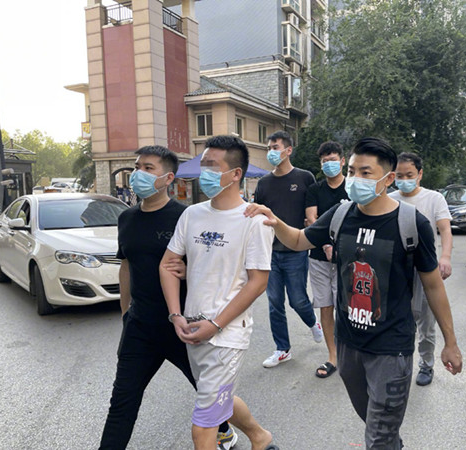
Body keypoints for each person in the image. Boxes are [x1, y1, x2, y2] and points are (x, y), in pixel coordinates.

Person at [246, 137, 462, 449]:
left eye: (365, 172)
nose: (355, 179)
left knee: (378, 436)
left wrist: (450, 343)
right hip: (348, 346)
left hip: (391, 349)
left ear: (388, 179)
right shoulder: (340, 214)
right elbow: (299, 240)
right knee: (376, 426)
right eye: (352, 171)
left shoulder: (412, 223)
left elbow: (433, 285)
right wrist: (275, 221)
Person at [99, 145, 238, 450]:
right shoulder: (127, 218)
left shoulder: (187, 217)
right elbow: (126, 267)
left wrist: (190, 271)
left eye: (148, 168)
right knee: (122, 401)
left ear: (168, 178)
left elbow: (215, 264)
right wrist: (125, 313)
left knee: (209, 390)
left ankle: (228, 429)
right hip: (140, 327)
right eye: (137, 166)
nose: (139, 173)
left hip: (183, 326)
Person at [159, 136, 278, 450]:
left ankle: (255, 437)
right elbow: (168, 264)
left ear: (236, 173)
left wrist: (216, 324)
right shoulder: (192, 214)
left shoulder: (255, 221)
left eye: (213, 166)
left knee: (203, 428)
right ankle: (260, 437)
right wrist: (176, 315)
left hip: (227, 335)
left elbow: (258, 282)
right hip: (192, 328)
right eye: (203, 165)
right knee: (217, 396)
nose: (205, 173)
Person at [254, 130, 323, 368]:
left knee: (298, 300)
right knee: (274, 302)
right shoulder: (263, 183)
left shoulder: (304, 177)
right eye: (269, 148)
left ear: (288, 150)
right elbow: (258, 216)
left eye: (275, 147)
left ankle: (313, 322)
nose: (271, 152)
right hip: (270, 252)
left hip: (296, 250)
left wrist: (313, 230)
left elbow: (313, 211)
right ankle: (282, 349)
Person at [388, 152, 452, 386]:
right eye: (399, 175)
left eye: (410, 175)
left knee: (426, 322)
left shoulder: (434, 198)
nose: (404, 180)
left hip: (425, 269)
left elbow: (445, 229)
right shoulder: (389, 199)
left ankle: (426, 364)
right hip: (396, 270)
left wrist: (445, 257)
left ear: (420, 174)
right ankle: (398, 362)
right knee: (397, 320)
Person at [305, 141, 349, 378]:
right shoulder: (315, 189)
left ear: (342, 161)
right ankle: (333, 356)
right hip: (319, 257)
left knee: (348, 307)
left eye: (332, 160)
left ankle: (350, 352)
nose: (329, 164)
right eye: (324, 161)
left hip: (349, 258)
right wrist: (325, 243)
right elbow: (312, 220)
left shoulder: (352, 188)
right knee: (326, 306)